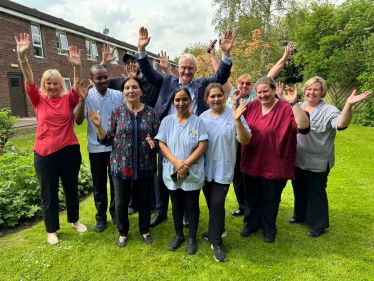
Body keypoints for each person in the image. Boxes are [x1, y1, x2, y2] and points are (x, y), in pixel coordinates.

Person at [136, 26, 235, 228]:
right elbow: (146, 71)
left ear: (195, 70)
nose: (187, 71)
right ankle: (162, 212)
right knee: (163, 176)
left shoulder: (202, 84)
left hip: (192, 138)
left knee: (190, 176)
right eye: (183, 67)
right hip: (168, 137)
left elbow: (222, 77)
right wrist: (141, 50)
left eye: (190, 68)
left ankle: (189, 215)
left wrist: (225, 54)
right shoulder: (167, 81)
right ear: (178, 68)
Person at [15, 33, 87, 245]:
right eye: (49, 83)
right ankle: (51, 230)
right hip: (44, 153)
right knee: (49, 192)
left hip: (69, 151)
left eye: (56, 83)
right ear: (44, 85)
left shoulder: (69, 99)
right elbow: (29, 79)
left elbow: (77, 85)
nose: (53, 86)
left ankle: (74, 220)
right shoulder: (38, 100)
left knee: (71, 188)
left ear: (60, 85)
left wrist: (77, 67)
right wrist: (22, 58)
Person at [207, 43, 293, 217]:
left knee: (249, 175)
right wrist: (212, 55)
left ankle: (254, 207)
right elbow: (221, 73)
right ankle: (243, 206)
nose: (244, 86)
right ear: (237, 83)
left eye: (247, 83)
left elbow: (272, 74)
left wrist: (284, 58)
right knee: (238, 178)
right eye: (241, 83)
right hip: (233, 141)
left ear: (252, 85)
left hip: (250, 140)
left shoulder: (257, 96)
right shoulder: (231, 92)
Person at [287, 76, 372, 238]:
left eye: (316, 89)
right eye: (309, 89)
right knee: (299, 189)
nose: (312, 92)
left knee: (316, 192)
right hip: (298, 159)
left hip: (317, 161)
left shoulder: (329, 110)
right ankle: (300, 215)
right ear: (304, 91)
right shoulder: (300, 106)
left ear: (322, 92)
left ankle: (318, 224)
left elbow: (341, 124)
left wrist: (348, 105)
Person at [86, 76, 160, 247]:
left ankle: (144, 229)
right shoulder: (117, 112)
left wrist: (153, 144)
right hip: (120, 166)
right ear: (123, 92)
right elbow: (107, 140)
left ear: (141, 91)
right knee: (120, 202)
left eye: (134, 87)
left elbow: (159, 139)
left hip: (145, 165)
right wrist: (99, 127)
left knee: (144, 201)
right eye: (127, 88)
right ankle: (123, 232)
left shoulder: (151, 113)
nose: (131, 91)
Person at [100, 45, 172, 215]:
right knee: (128, 171)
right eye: (127, 62)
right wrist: (104, 63)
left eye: (133, 61)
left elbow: (169, 85)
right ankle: (133, 204)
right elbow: (100, 81)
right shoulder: (122, 82)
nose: (130, 64)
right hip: (127, 134)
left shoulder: (150, 80)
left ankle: (153, 205)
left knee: (149, 174)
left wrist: (165, 69)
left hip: (148, 131)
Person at [240, 77, 310, 243]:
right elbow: (237, 123)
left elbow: (303, 126)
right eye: (259, 92)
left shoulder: (286, 108)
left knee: (271, 198)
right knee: (252, 196)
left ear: (273, 90)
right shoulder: (251, 106)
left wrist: (294, 103)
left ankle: (269, 228)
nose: (263, 95)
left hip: (275, 162)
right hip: (252, 159)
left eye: (266, 91)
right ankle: (250, 224)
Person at [199, 83, 251, 262]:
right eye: (212, 96)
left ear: (224, 96)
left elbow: (245, 141)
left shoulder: (234, 114)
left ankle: (216, 242)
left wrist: (238, 121)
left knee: (216, 203)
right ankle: (219, 229)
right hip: (204, 170)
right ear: (207, 100)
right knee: (213, 205)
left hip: (223, 168)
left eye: (219, 95)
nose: (216, 99)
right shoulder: (203, 117)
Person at [155, 87, 208, 255]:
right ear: (173, 102)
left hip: (192, 171)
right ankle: (179, 235)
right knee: (176, 205)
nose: (181, 103)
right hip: (173, 170)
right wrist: (176, 163)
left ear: (190, 100)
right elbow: (161, 143)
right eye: (177, 100)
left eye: (185, 99)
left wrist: (185, 165)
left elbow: (202, 145)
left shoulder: (198, 122)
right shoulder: (166, 121)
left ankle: (192, 237)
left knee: (192, 206)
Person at [74, 64, 123, 232]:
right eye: (99, 78)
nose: (103, 80)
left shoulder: (118, 95)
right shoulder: (86, 96)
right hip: (96, 149)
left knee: (116, 184)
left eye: (105, 77)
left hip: (115, 147)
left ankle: (115, 213)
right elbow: (78, 121)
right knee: (99, 185)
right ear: (91, 80)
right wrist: (81, 99)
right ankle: (100, 217)